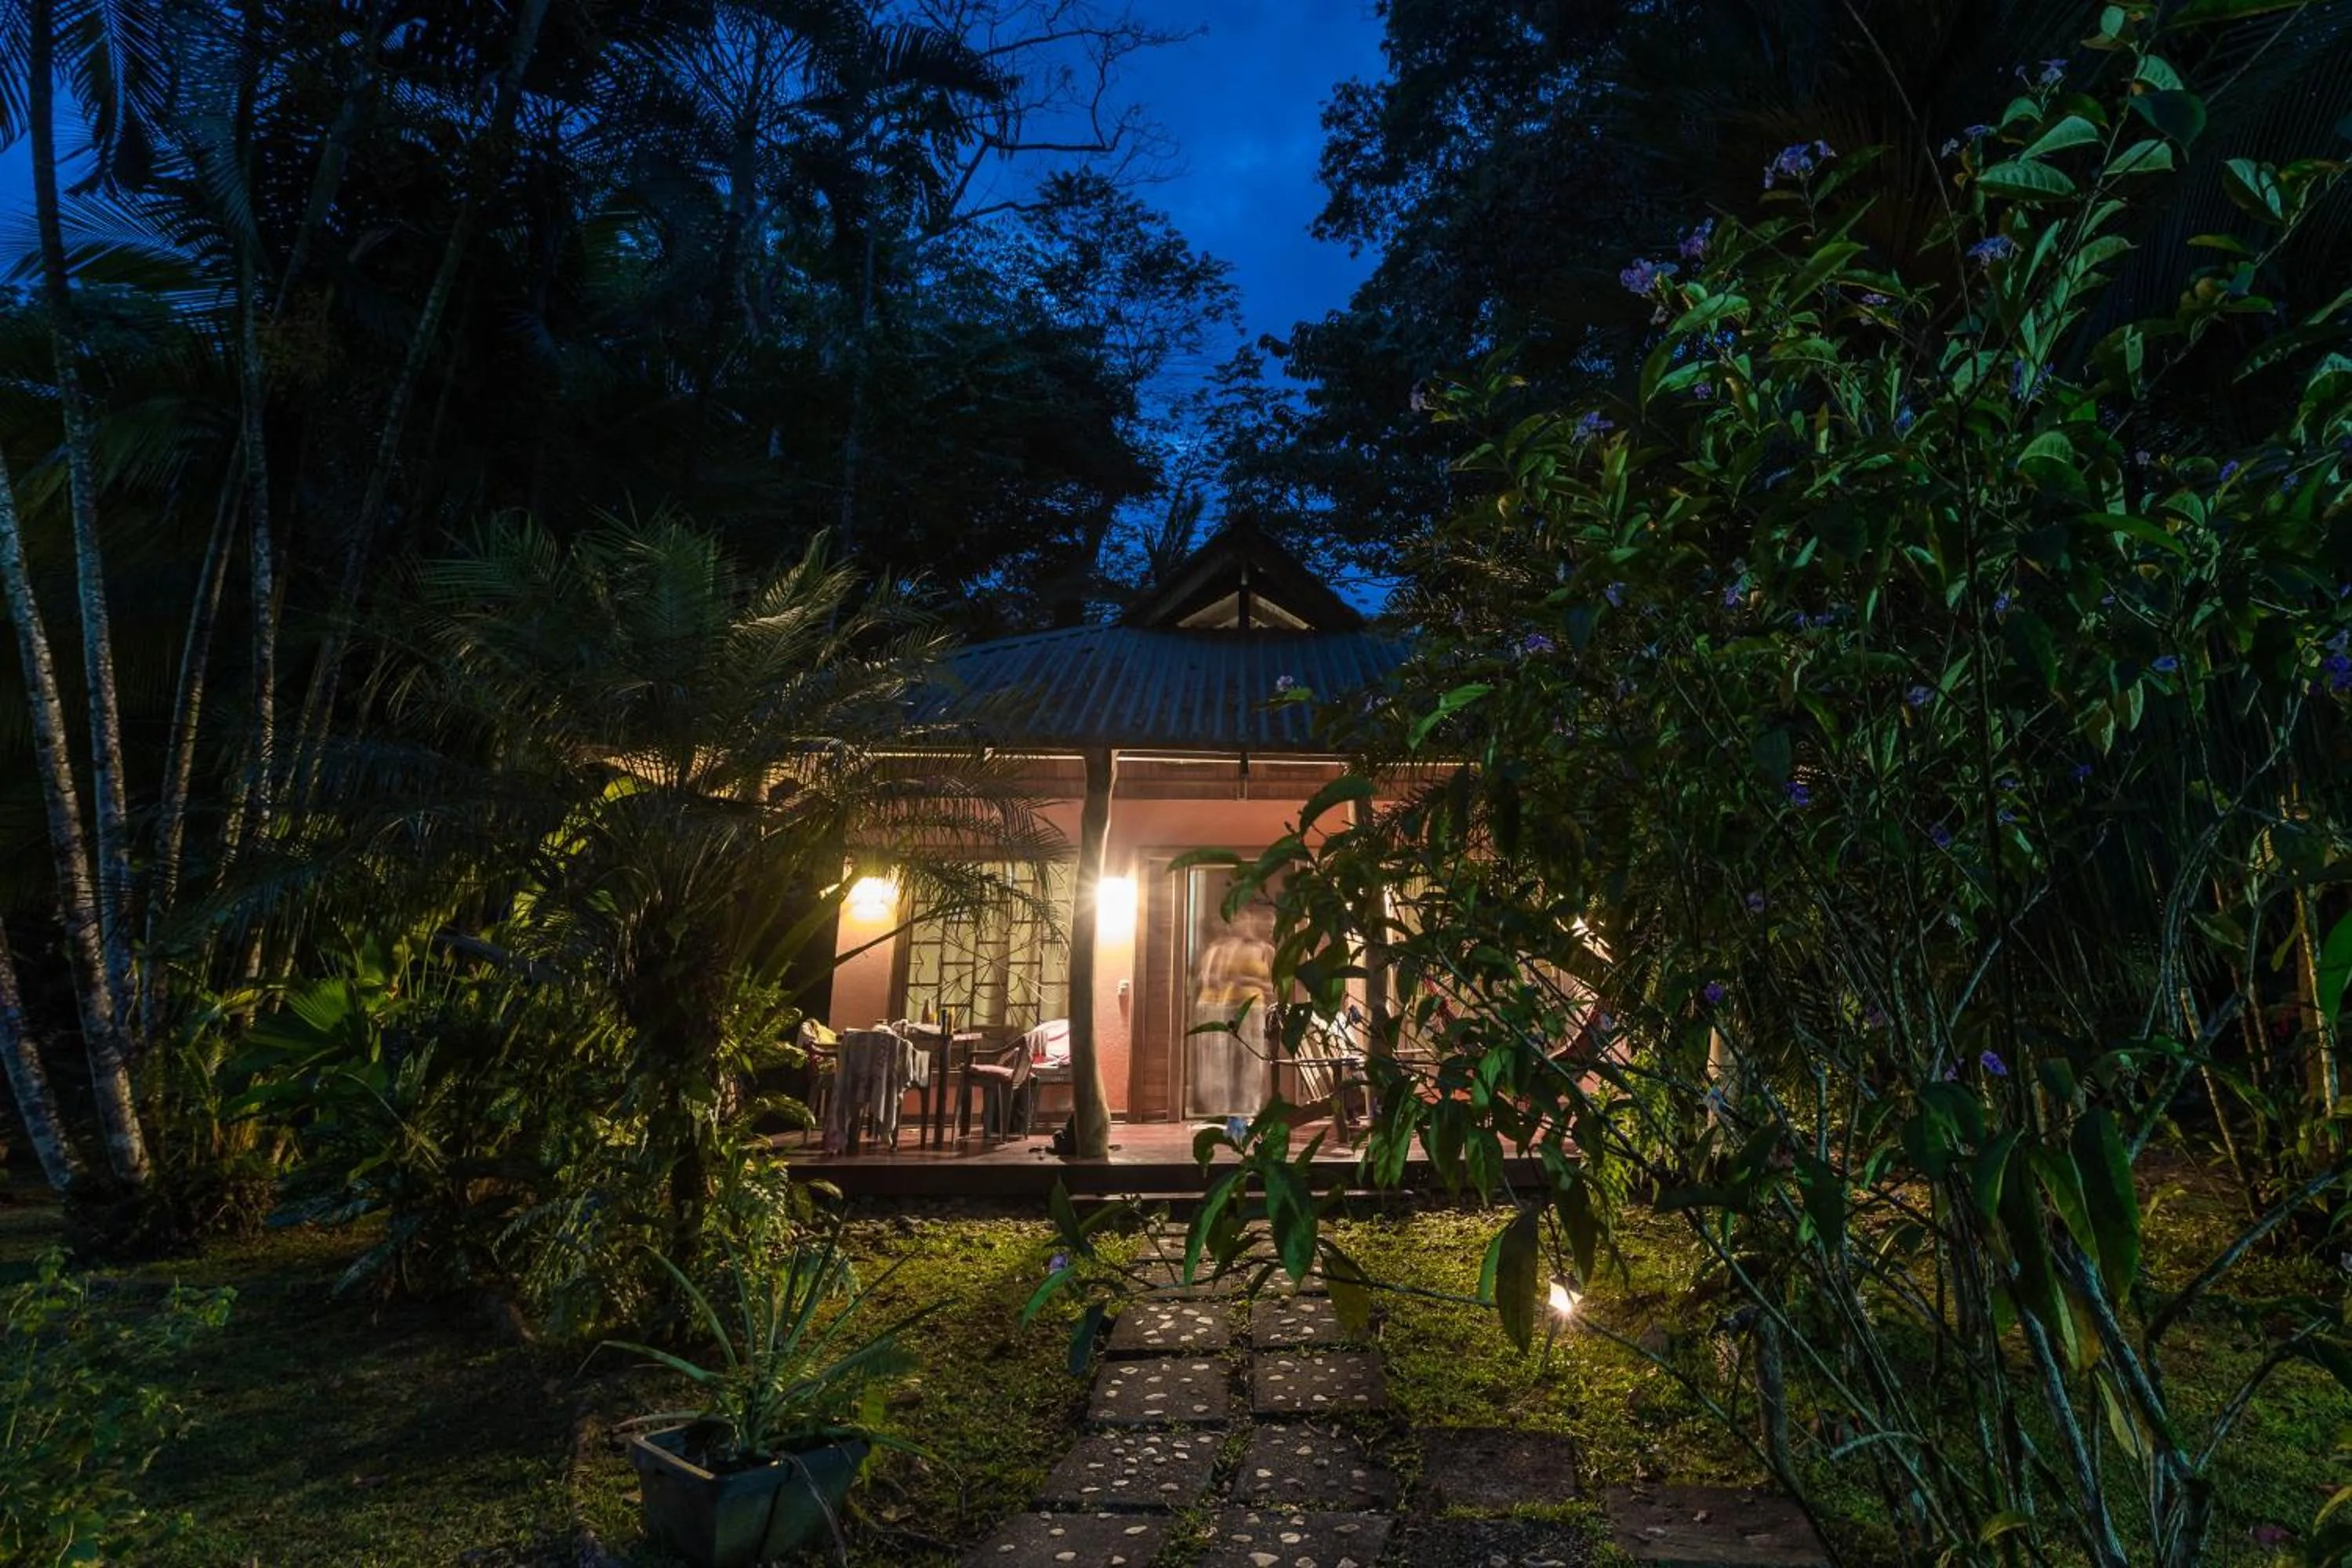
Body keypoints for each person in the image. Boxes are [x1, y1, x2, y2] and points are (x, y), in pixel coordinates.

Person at [1190, 900, 1277, 1117]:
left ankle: (1251, 1108)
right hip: (1227, 1004)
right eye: (1238, 920)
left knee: (1251, 1058)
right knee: (1225, 1057)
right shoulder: (1225, 948)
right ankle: (1221, 1109)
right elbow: (1214, 977)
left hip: (1254, 1006)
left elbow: (1272, 986)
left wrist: (1248, 980)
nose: (1242, 925)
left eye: (1246, 920)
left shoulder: (1266, 950)